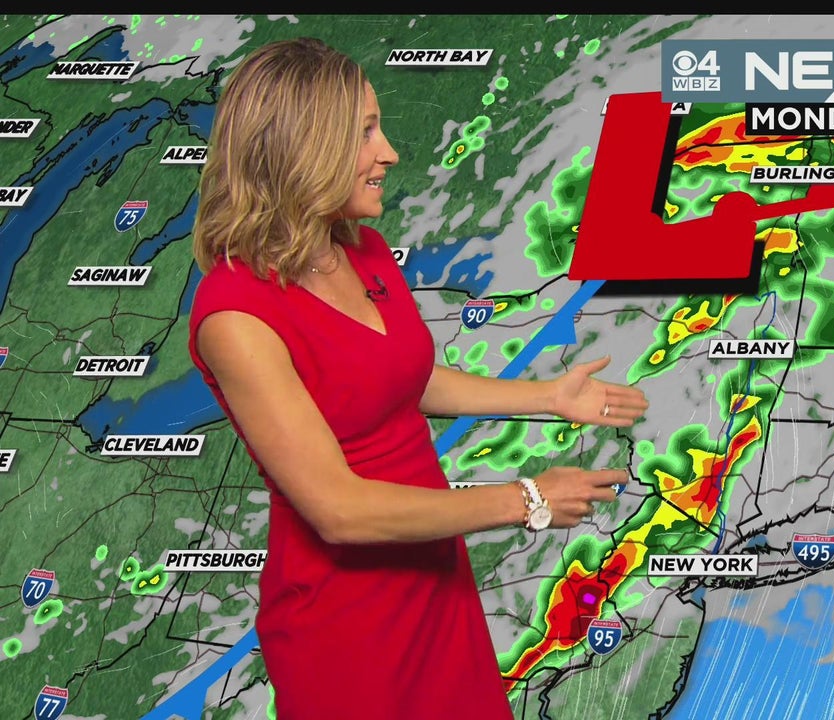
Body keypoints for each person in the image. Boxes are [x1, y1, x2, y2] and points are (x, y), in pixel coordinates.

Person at [187, 38, 646, 719]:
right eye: (365, 132)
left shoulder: (363, 251)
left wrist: (549, 398)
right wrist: (524, 498)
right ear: (304, 147)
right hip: (347, 629)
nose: (389, 153)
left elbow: (407, 379)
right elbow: (340, 510)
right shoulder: (236, 315)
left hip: (435, 584)